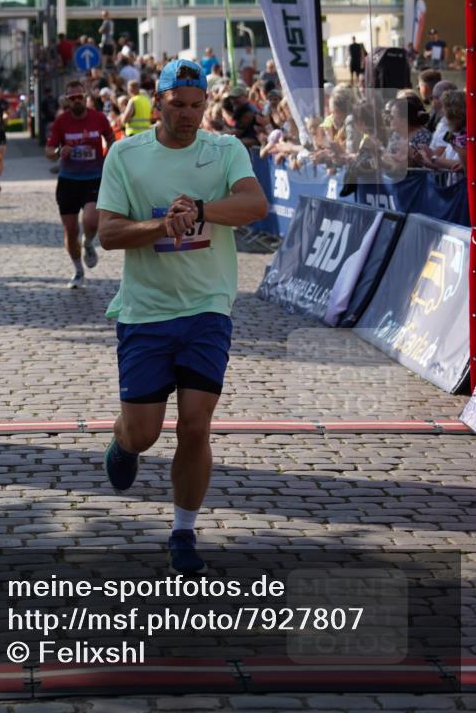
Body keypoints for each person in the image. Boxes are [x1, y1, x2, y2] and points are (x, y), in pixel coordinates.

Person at [97, 59, 268, 573]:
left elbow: (255, 205)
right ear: (159, 102)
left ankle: (183, 531)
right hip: (146, 312)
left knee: (195, 425)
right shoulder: (126, 154)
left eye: (197, 105)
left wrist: (200, 208)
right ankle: (123, 440)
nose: (189, 115)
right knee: (144, 433)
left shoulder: (225, 150)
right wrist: (161, 225)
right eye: (178, 105)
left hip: (207, 308)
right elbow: (108, 233)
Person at [45, 80, 115, 288]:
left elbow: (111, 139)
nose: (77, 100)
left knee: (91, 221)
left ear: (86, 97)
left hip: (94, 177)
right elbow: (48, 152)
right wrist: (59, 152)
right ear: (67, 100)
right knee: (70, 230)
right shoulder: (61, 122)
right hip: (68, 180)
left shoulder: (98, 118)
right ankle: (78, 271)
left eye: (80, 97)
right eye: (72, 98)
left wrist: (111, 156)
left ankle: (88, 242)